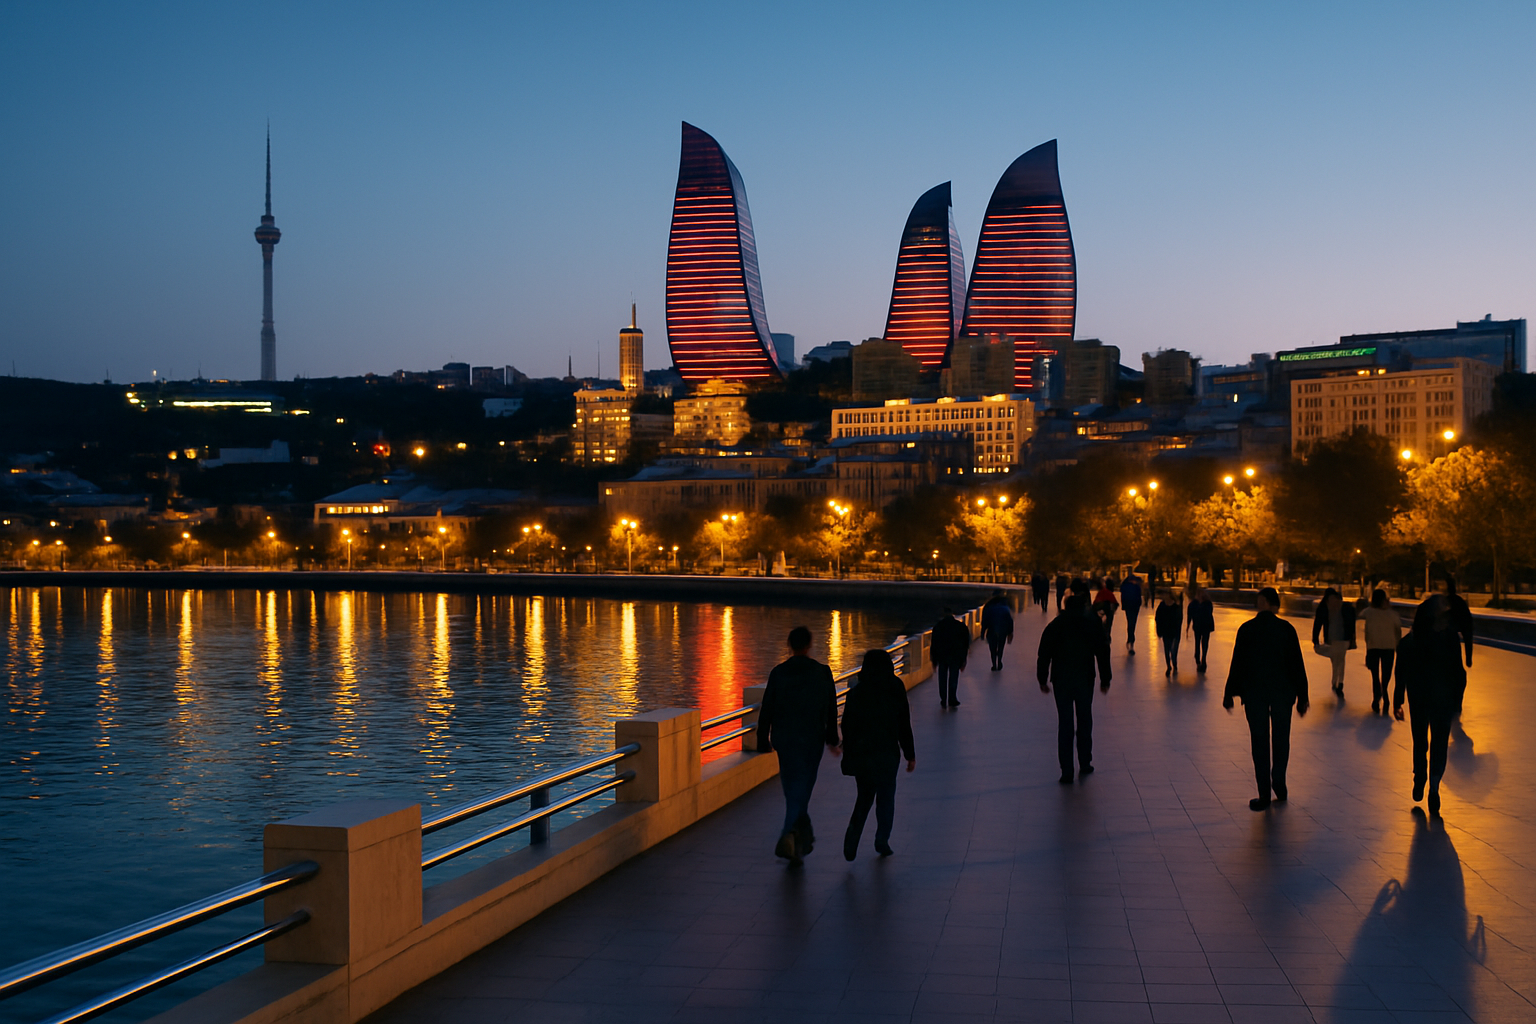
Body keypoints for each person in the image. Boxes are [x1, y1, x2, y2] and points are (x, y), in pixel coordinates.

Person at [756, 626, 840, 863]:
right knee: (803, 787)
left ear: (789, 645)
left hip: (784, 739)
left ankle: (798, 842)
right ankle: (790, 836)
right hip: (811, 739)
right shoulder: (822, 672)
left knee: (791, 786)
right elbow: (830, 710)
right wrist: (832, 739)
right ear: (809, 645)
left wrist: (763, 739)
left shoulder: (778, 672)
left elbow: (767, 708)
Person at [1223, 587, 1309, 811]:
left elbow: (1237, 662)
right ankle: (1278, 778)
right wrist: (1303, 695)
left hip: (1255, 694)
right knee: (1281, 737)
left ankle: (1263, 793)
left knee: (1259, 740)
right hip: (1282, 693)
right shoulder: (1286, 629)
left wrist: (1229, 692)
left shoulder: (1247, 629)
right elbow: (1297, 664)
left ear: (1262, 602)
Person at [839, 647, 916, 859]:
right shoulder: (895, 687)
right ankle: (882, 839)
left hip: (863, 754)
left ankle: (852, 839)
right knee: (886, 797)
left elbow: (847, 724)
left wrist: (848, 747)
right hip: (887, 754)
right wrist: (910, 753)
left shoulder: (857, 691)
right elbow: (903, 723)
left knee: (864, 797)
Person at [1394, 596, 1467, 815]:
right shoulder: (1449, 640)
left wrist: (1398, 700)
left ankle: (1424, 780)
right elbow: (1459, 673)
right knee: (1437, 744)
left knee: (1421, 741)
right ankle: (1432, 783)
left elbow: (1401, 675)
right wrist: (1457, 701)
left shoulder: (1409, 641)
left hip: (1421, 700)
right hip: (1439, 701)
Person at [1037, 589, 1112, 782]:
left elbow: (1044, 653)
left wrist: (1042, 678)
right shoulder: (1092, 624)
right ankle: (1085, 761)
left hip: (1061, 679)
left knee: (1065, 722)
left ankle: (1066, 769)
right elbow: (1102, 652)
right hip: (1085, 678)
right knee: (1085, 718)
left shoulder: (1056, 626)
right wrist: (1105, 678)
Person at [1360, 588, 1402, 714]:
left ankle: (1376, 697)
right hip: (1389, 647)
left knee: (1374, 674)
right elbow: (1398, 631)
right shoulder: (1393, 615)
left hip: (1373, 647)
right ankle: (1385, 692)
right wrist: (1398, 644)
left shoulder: (1368, 613)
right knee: (1386, 673)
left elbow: (1366, 630)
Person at [1311, 588, 1357, 697]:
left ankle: (1335, 680)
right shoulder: (1346, 607)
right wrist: (1353, 638)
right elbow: (1351, 623)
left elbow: (1318, 623)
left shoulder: (1323, 607)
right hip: (1344, 637)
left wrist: (1315, 639)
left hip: (1332, 637)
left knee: (1335, 659)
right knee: (1341, 659)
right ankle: (1339, 681)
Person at [929, 608, 971, 708]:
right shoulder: (960, 626)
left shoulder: (938, 626)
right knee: (953, 677)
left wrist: (934, 660)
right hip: (955, 656)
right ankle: (952, 698)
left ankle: (943, 699)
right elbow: (965, 644)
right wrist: (963, 659)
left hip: (942, 656)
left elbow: (934, 644)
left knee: (942, 677)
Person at [1444, 576, 1475, 671]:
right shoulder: (1460, 603)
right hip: (1452, 643)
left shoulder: (1441, 604)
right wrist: (1468, 657)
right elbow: (1468, 630)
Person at [980, 590, 1014, 671]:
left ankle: (994, 664)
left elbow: (985, 620)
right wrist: (1010, 632)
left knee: (992, 648)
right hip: (1003, 631)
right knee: (1001, 647)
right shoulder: (1005, 608)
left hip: (991, 630)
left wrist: (982, 632)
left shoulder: (988, 607)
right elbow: (1010, 621)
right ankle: (999, 661)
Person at [1186, 586, 1216, 673]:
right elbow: (1190, 615)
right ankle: (1198, 658)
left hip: (1205, 626)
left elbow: (1209, 613)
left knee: (1204, 643)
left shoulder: (1207, 603)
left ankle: (1203, 659)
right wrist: (1188, 626)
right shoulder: (1194, 604)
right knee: (1198, 642)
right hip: (1198, 626)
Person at [1154, 589, 1183, 676]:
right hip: (1165, 631)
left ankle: (1174, 663)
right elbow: (1157, 618)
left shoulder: (1176, 606)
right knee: (1167, 650)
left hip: (1174, 632)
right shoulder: (1161, 606)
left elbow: (1179, 620)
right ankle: (1168, 666)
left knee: (1173, 651)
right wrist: (1159, 630)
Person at [1119, 573, 1143, 652]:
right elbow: (1139, 597)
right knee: (1132, 623)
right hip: (1134, 607)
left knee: (1130, 623)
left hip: (1129, 607)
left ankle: (1130, 639)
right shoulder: (1136, 587)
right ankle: (1131, 639)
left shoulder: (1124, 587)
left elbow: (1123, 597)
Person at [1092, 578, 1119, 643]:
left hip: (1100, 612)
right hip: (1109, 612)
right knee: (1108, 626)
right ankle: (1106, 638)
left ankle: (1102, 638)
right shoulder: (1110, 594)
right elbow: (1115, 603)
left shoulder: (1101, 592)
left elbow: (1095, 603)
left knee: (1101, 626)